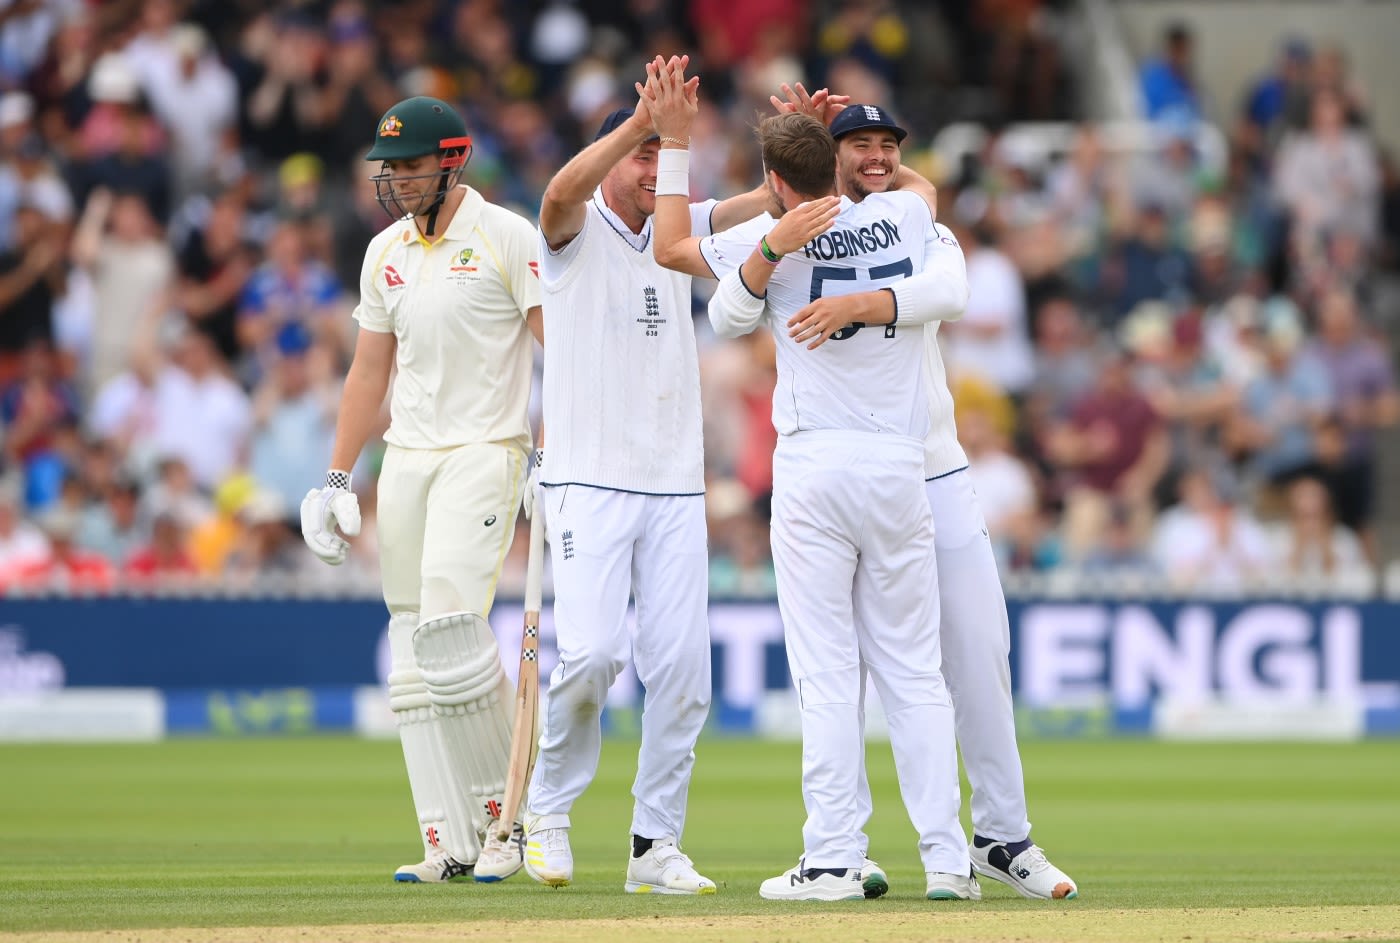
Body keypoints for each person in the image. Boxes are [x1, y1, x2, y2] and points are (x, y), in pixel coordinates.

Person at [647, 68, 973, 901]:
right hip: (900, 466)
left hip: (815, 466)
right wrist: (854, 166)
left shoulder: (776, 233)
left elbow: (687, 271)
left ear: (776, 181)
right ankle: (947, 861)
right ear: (839, 160)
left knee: (829, 673)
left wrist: (765, 222)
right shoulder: (905, 212)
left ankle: (832, 856)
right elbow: (926, 199)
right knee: (914, 673)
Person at [779, 90, 1078, 900]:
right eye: (859, 145)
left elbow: (952, 294)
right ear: (824, 159)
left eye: (889, 145)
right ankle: (842, 847)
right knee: (862, 670)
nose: (878, 157)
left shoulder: (916, 219)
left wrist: (866, 299)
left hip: (932, 464)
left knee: (979, 648)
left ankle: (1001, 838)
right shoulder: (799, 232)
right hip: (849, 464)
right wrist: (815, 148)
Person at [521, 54, 770, 895]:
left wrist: (803, 144)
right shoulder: (573, 227)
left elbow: (766, 204)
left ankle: (653, 845)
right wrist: (645, 128)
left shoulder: (675, 226)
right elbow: (555, 197)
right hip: (587, 479)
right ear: (617, 155)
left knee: (684, 676)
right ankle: (547, 811)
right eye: (640, 158)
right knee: (590, 657)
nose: (654, 169)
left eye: (661, 158)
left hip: (673, 484)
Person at [299, 96, 542, 885]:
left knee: (449, 628)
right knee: (410, 650)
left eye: (409, 165)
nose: (397, 180)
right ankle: (447, 838)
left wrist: (556, 454)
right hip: (405, 458)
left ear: (452, 159)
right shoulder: (385, 253)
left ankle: (512, 821)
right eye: (389, 167)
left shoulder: (506, 235)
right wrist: (337, 477)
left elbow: (561, 350)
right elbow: (370, 371)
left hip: (485, 447)